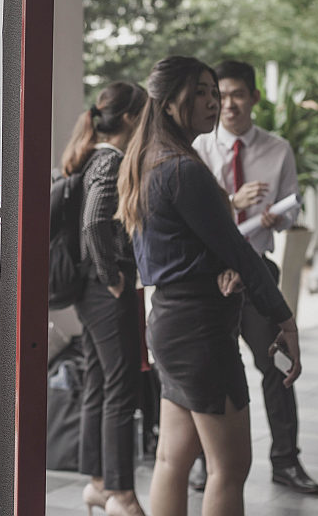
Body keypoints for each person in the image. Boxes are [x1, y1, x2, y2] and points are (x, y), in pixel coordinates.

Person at [116, 56, 301, 516]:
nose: (213, 102)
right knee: (229, 467)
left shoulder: (147, 159)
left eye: (213, 91)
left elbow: (174, 248)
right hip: (200, 331)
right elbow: (238, 249)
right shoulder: (183, 168)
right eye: (200, 92)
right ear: (168, 100)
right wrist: (284, 319)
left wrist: (214, 265)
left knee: (172, 459)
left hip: (170, 324)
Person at [191, 59, 318, 494]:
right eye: (220, 95)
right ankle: (202, 461)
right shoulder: (199, 148)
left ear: (254, 98)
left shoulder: (278, 149)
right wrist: (233, 201)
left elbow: (291, 210)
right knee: (208, 369)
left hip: (256, 269)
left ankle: (286, 461)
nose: (228, 104)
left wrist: (276, 217)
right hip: (211, 276)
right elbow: (193, 216)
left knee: (277, 363)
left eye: (237, 95)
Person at [60, 80, 148, 516]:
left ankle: (98, 483)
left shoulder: (92, 156)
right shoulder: (111, 161)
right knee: (121, 386)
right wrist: (112, 276)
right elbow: (95, 221)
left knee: (99, 380)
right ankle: (121, 494)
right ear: (130, 118)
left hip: (87, 291)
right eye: (145, 114)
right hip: (105, 290)